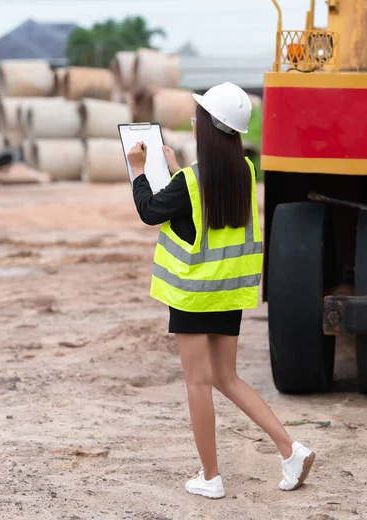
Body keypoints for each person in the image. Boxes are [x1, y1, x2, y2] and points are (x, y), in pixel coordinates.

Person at [127, 82, 315, 499]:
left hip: (194, 296)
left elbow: (150, 211)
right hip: (228, 296)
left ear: (210, 128)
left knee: (199, 383)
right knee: (228, 378)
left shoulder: (191, 182)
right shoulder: (245, 172)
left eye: (197, 117)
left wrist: (139, 169)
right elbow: (203, 209)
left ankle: (210, 477)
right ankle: (291, 449)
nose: (193, 121)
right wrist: (177, 172)